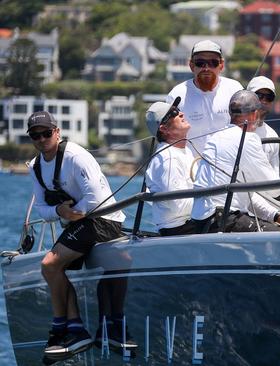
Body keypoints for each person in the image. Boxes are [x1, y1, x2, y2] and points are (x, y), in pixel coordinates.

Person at [27, 111, 125, 360]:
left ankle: (63, 327)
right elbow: (41, 208)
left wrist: (72, 215)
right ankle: (74, 329)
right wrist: (60, 211)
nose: (41, 139)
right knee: (54, 269)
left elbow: (96, 200)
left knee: (49, 264)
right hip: (79, 222)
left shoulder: (76, 157)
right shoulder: (35, 166)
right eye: (35, 135)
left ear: (57, 132)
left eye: (46, 133)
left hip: (104, 220)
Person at [191, 90, 280, 232]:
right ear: (255, 114)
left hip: (202, 221)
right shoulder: (247, 139)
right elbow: (273, 187)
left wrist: (278, 217)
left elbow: (248, 196)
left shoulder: (215, 137)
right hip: (224, 219)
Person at [167, 39, 243, 153]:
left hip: (228, 168)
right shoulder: (176, 95)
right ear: (191, 65)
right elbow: (169, 136)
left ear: (221, 65)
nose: (206, 68)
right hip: (192, 168)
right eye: (200, 63)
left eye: (213, 63)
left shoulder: (235, 90)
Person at [144, 96, 197, 236]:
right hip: (178, 228)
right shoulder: (168, 158)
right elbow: (177, 205)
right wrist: (214, 200)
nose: (181, 113)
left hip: (192, 222)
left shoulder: (185, 151)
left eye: (178, 110)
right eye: (173, 113)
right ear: (163, 128)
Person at [247, 75, 280, 173]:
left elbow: (274, 175)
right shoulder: (234, 128)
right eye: (259, 96)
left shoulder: (273, 136)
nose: (264, 101)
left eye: (269, 97)